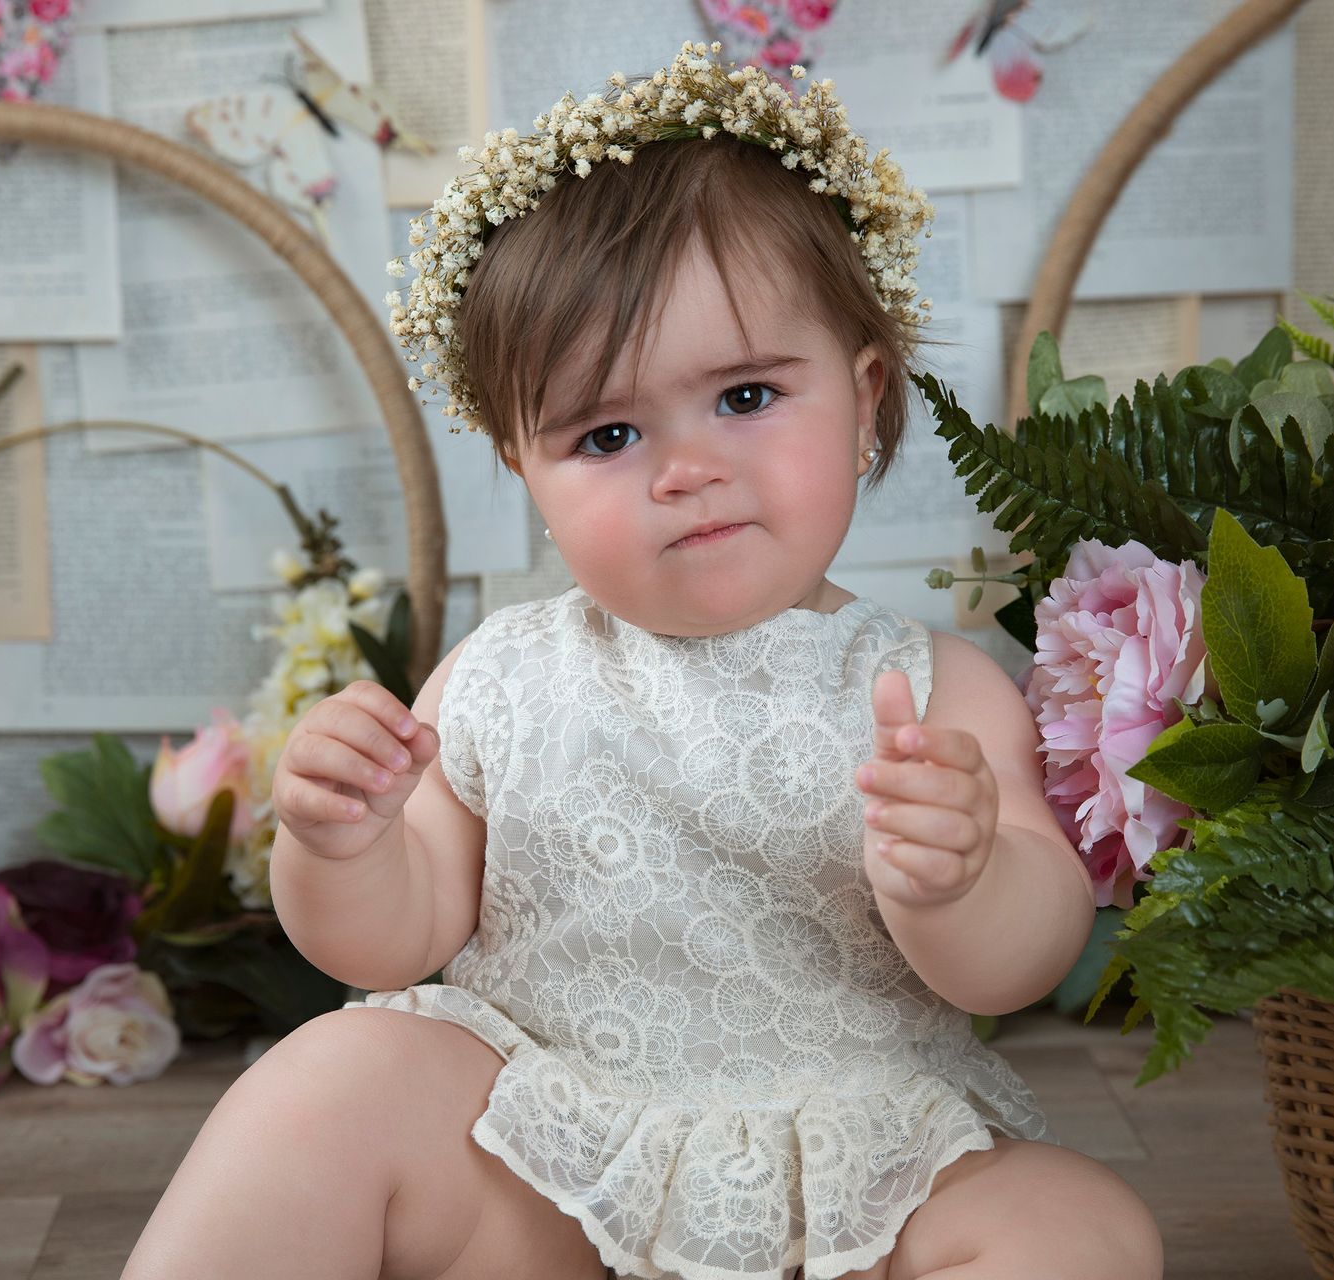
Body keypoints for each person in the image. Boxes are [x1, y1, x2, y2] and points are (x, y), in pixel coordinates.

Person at [124, 41, 1163, 1280]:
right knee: (328, 1078)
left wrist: (966, 876)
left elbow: (1026, 955)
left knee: (1081, 1228)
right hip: (548, 1166)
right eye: (608, 431)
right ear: (527, 468)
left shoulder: (937, 692)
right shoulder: (500, 677)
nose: (686, 467)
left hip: (849, 1181)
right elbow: (394, 940)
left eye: (745, 396)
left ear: (865, 387)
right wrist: (340, 844)